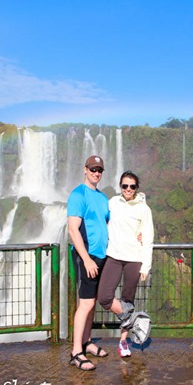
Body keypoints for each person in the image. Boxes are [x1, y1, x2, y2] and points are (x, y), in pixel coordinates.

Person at [97, 170, 154, 357]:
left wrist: (146, 266)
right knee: (104, 296)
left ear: (137, 188)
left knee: (127, 299)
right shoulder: (112, 203)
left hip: (133, 259)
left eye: (132, 186)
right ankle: (133, 318)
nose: (128, 189)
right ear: (120, 186)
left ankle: (123, 342)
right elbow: (102, 222)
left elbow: (147, 238)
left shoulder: (144, 209)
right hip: (113, 256)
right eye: (124, 186)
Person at [67, 155, 110, 371]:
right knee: (85, 303)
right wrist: (86, 260)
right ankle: (76, 352)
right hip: (87, 257)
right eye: (93, 169)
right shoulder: (78, 194)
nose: (96, 173)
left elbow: (108, 224)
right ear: (85, 169)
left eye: (99, 170)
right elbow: (73, 229)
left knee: (92, 303)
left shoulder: (102, 198)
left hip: (101, 256)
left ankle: (87, 341)